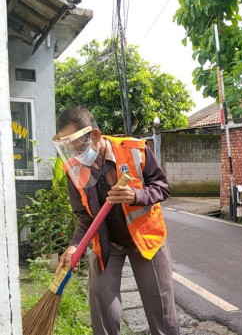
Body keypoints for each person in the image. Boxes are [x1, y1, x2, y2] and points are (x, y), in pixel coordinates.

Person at [52, 106, 179, 335]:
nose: (76, 154)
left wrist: (136, 195)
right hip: (107, 242)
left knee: (159, 304)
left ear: (96, 136)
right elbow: (84, 216)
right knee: (101, 300)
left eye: (78, 146)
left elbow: (162, 188)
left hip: (145, 239)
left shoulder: (135, 150)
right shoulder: (73, 168)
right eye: (69, 149)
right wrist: (73, 247)